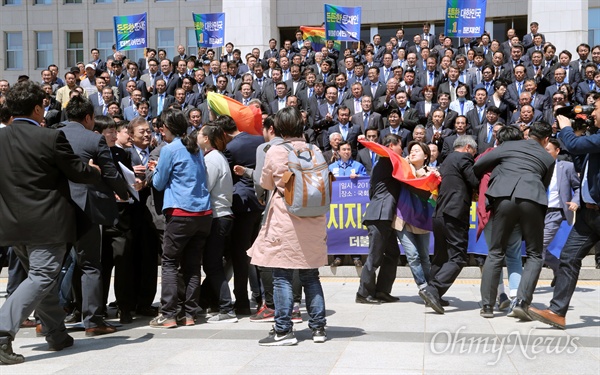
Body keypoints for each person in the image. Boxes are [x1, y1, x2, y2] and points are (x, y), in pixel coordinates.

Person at [0, 81, 102, 364]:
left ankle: (57, 333)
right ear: (36, 108)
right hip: (47, 223)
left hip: (11, 224)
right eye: (43, 105)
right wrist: (94, 170)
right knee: (43, 276)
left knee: (39, 278)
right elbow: (78, 172)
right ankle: (1, 331)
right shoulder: (49, 138)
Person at [249, 107, 327, 346]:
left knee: (282, 274)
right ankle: (318, 328)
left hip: (287, 218)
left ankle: (284, 329)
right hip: (313, 218)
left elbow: (264, 181)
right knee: (311, 275)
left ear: (279, 128)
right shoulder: (314, 149)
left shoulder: (276, 151)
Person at [59, 95, 129, 335]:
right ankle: (93, 321)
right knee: (90, 265)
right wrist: (125, 192)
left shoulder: (51, 134)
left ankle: (47, 319)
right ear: (88, 118)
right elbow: (110, 174)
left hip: (54, 208)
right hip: (86, 209)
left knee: (53, 265)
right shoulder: (94, 139)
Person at [529, 96, 600, 329]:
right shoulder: (594, 139)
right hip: (589, 215)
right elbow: (580, 161)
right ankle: (557, 312)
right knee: (568, 259)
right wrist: (576, 134)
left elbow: (576, 147)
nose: (593, 114)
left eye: (596, 109)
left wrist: (567, 128)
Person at [474, 122, 555, 319]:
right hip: (532, 199)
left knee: (495, 252)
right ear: (546, 140)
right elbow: (544, 183)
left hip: (503, 198)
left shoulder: (508, 145)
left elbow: (479, 165)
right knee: (535, 255)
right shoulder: (548, 156)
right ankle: (521, 302)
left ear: (529, 134)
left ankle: (487, 306)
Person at [149, 109, 213, 328]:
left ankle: (168, 314)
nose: (160, 132)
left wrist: (155, 169)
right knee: (193, 266)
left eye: (162, 128)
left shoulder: (170, 149)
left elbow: (157, 183)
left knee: (169, 263)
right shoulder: (195, 148)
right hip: (202, 213)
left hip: (180, 212)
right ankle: (189, 313)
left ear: (167, 128)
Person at [417, 136, 479, 314]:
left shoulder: (446, 161)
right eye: (473, 153)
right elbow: (474, 181)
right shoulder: (464, 158)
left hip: (439, 214)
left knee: (441, 256)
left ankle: (434, 292)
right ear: (468, 147)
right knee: (458, 257)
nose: (473, 156)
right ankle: (433, 289)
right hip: (455, 214)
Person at [357, 134, 403, 304]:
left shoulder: (382, 163)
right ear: (391, 146)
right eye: (400, 146)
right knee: (375, 256)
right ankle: (363, 293)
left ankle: (382, 291)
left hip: (385, 215)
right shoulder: (388, 161)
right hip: (379, 215)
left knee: (392, 253)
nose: (402, 150)